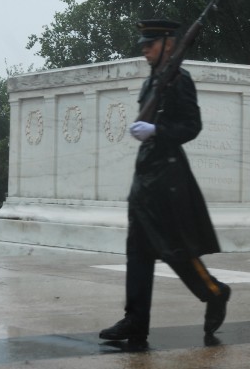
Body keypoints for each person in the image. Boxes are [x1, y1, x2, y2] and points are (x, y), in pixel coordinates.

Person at [99, 19, 231, 343]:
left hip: (167, 179)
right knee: (138, 251)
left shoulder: (178, 80)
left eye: (151, 44)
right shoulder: (153, 81)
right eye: (143, 44)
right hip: (145, 176)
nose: (144, 49)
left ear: (169, 44)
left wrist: (158, 131)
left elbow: (192, 125)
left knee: (176, 249)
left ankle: (214, 292)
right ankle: (135, 320)